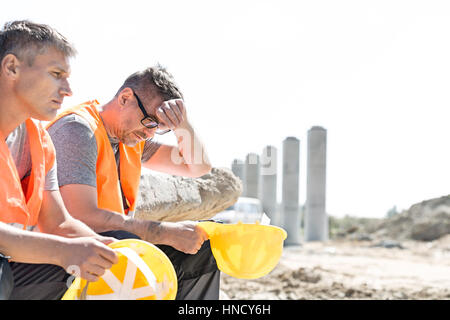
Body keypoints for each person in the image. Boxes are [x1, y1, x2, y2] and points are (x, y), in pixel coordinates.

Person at [46, 65, 220, 299]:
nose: (150, 134)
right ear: (125, 98)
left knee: (200, 246)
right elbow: (81, 217)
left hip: (109, 246)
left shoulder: (133, 140)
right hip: (56, 260)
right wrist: (162, 232)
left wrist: (183, 125)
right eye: (149, 121)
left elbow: (198, 166)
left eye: (159, 129)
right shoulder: (77, 130)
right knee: (131, 243)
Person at [0, 20, 118, 300]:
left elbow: (59, 224)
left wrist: (104, 247)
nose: (68, 90)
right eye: (56, 74)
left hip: (11, 267)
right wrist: (63, 252)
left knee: (98, 266)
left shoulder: (40, 141)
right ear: (11, 67)